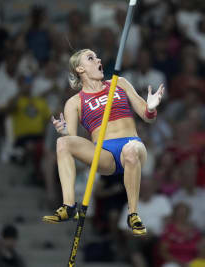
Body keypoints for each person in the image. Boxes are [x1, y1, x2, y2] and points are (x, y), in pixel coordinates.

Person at [42, 49, 165, 236]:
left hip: (132, 144)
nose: (98, 59)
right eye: (91, 58)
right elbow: (72, 139)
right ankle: (68, 206)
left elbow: (147, 117)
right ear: (80, 69)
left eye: (97, 56)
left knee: (130, 150)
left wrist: (151, 108)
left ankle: (133, 214)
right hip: (104, 154)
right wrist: (65, 131)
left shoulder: (120, 83)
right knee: (63, 143)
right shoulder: (74, 102)